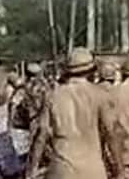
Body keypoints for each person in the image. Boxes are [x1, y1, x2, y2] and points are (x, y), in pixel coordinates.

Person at [27, 47, 123, 179]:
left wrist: (32, 169)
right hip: (92, 169)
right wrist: (119, 168)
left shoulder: (54, 96)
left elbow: (41, 135)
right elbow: (110, 133)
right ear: (91, 71)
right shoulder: (99, 95)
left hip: (62, 169)